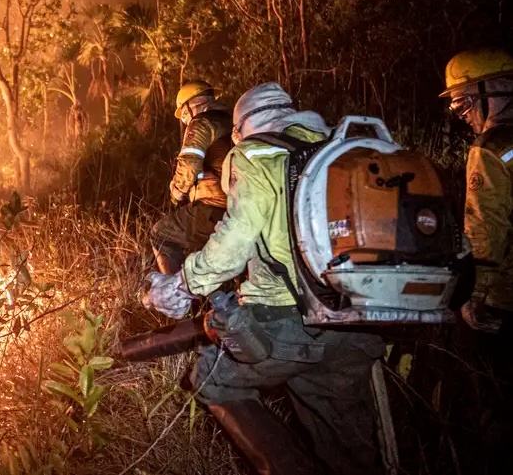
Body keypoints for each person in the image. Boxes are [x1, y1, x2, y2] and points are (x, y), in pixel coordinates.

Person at [146, 82, 385, 475]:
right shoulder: (339, 152)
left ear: (240, 129)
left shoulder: (255, 154)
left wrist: (184, 283)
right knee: (341, 439)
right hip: (358, 322)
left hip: (289, 321)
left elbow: (236, 237)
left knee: (211, 379)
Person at [441, 48, 513, 334]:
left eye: (464, 104)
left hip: (505, 297)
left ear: (491, 94)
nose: (464, 117)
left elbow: (486, 226)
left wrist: (473, 294)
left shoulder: (489, 149)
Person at [148, 81, 233, 275]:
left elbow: (189, 163)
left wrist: (177, 192)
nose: (185, 120)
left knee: (161, 234)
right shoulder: (232, 120)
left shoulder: (202, 122)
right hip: (240, 207)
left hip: (215, 207)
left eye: (184, 114)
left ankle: (175, 297)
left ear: (192, 104)